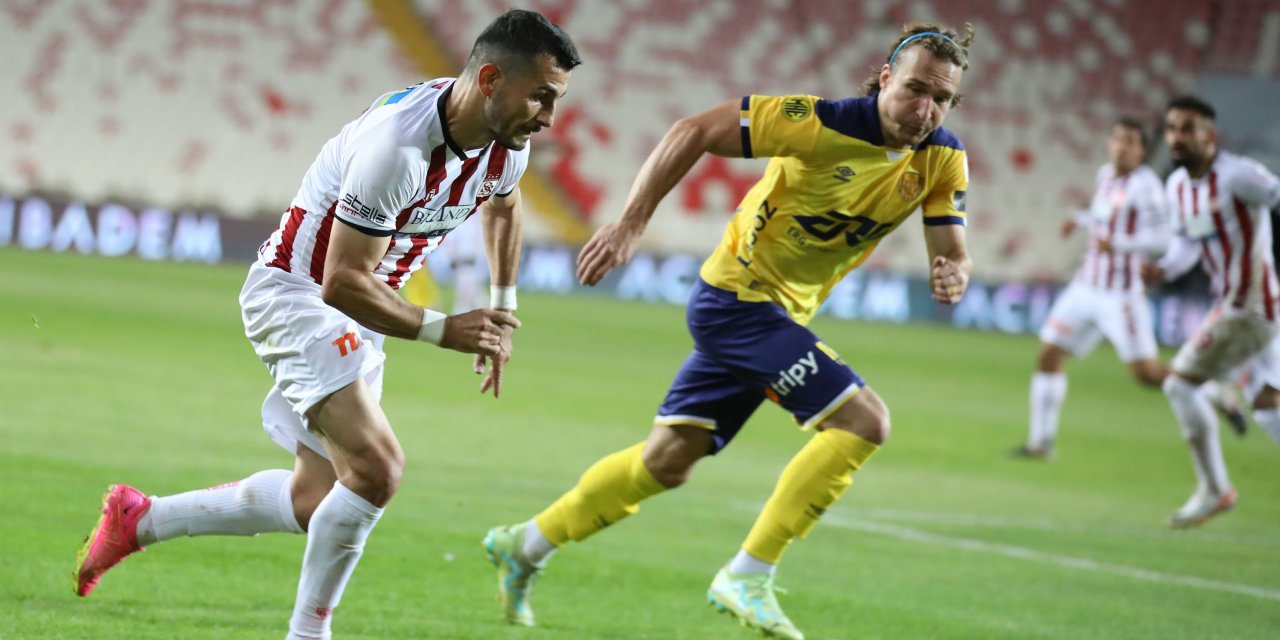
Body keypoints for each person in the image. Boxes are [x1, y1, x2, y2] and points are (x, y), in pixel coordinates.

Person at [72, 10, 579, 639]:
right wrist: (446, 329)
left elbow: (504, 205)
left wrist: (501, 307)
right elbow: (340, 280)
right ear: (491, 79)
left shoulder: (505, 143)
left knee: (316, 501)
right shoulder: (397, 150)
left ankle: (138, 520)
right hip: (298, 293)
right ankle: (307, 634)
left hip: (362, 306)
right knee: (378, 470)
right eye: (541, 96)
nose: (548, 118)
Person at [483, 23, 974, 640]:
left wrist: (955, 270)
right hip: (736, 302)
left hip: (779, 316)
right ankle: (749, 574)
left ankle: (524, 545)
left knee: (667, 461)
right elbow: (693, 130)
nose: (925, 109)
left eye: (942, 98)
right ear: (884, 80)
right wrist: (632, 222)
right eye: (914, 89)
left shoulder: (942, 158)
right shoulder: (817, 123)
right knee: (863, 422)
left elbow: (951, 248)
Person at [1016, 118, 1244, 459]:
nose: (1121, 147)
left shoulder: (1147, 187)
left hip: (1120, 295)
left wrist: (1119, 244)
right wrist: (1079, 219)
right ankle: (1041, 444)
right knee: (1048, 354)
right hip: (1085, 286)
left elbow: (1161, 240)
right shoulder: (1105, 175)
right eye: (1118, 139)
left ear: (1142, 151)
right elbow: (1104, 217)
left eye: (1130, 142)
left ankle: (1214, 392)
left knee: (1146, 374)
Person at [1142, 95, 1280, 529]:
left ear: (1210, 135)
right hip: (1238, 306)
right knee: (1268, 404)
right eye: (1171, 128)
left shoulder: (1239, 175)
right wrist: (1163, 270)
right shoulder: (1177, 186)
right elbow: (1187, 243)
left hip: (1249, 307)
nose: (1177, 137)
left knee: (1180, 386)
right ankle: (1223, 397)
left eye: (1188, 128)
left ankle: (1216, 489)